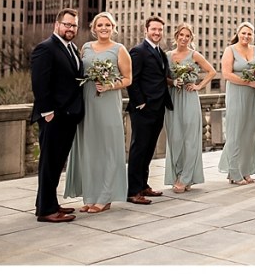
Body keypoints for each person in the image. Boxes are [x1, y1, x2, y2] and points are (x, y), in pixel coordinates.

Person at [64, 12, 132, 214]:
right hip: (87, 104)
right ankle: (91, 196)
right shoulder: (85, 48)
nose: (104, 28)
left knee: (107, 149)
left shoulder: (120, 50)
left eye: (107, 25)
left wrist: (110, 85)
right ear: (94, 28)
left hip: (108, 103)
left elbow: (128, 79)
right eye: (100, 25)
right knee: (90, 150)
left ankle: (105, 196)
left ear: (113, 27)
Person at [30, 8, 84, 223]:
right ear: (57, 24)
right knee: (50, 163)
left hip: (69, 115)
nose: (70, 29)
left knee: (56, 162)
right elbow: (40, 83)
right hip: (54, 116)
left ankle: (46, 202)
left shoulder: (71, 48)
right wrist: (47, 112)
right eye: (67, 24)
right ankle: (46, 211)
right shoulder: (45, 48)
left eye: (74, 26)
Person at [126, 16, 174, 205]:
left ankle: (143, 185)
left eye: (160, 30)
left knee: (148, 149)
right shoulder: (138, 51)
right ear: (146, 30)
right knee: (139, 149)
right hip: (143, 109)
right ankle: (133, 191)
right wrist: (140, 103)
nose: (157, 33)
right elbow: (133, 80)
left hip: (158, 107)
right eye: (153, 29)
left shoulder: (160, 52)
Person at [164, 23, 216, 194]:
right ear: (176, 36)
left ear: (191, 38)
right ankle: (177, 174)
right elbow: (161, 77)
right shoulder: (167, 56)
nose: (184, 38)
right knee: (175, 138)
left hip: (189, 98)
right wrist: (173, 82)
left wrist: (198, 86)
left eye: (187, 36)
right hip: (173, 99)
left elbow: (211, 71)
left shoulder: (194, 55)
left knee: (190, 139)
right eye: (181, 35)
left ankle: (186, 177)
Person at [217, 21, 255, 185]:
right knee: (235, 133)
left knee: (250, 133)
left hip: (254, 95)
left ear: (253, 35)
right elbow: (226, 74)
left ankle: (245, 170)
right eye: (243, 33)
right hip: (237, 93)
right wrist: (248, 83)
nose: (246, 36)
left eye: (249, 34)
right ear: (238, 33)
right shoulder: (230, 50)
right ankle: (234, 172)